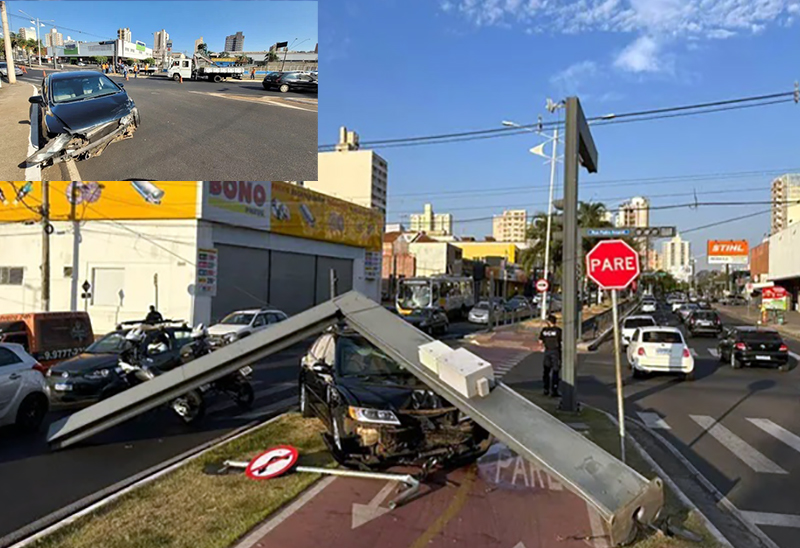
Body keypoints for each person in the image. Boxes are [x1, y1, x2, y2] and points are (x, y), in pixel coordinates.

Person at [538, 314, 562, 397]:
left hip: (547, 351)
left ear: (549, 322)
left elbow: (540, 341)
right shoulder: (558, 330)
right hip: (555, 352)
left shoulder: (544, 330)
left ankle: (546, 389)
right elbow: (561, 340)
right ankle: (554, 390)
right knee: (555, 371)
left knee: (546, 371)